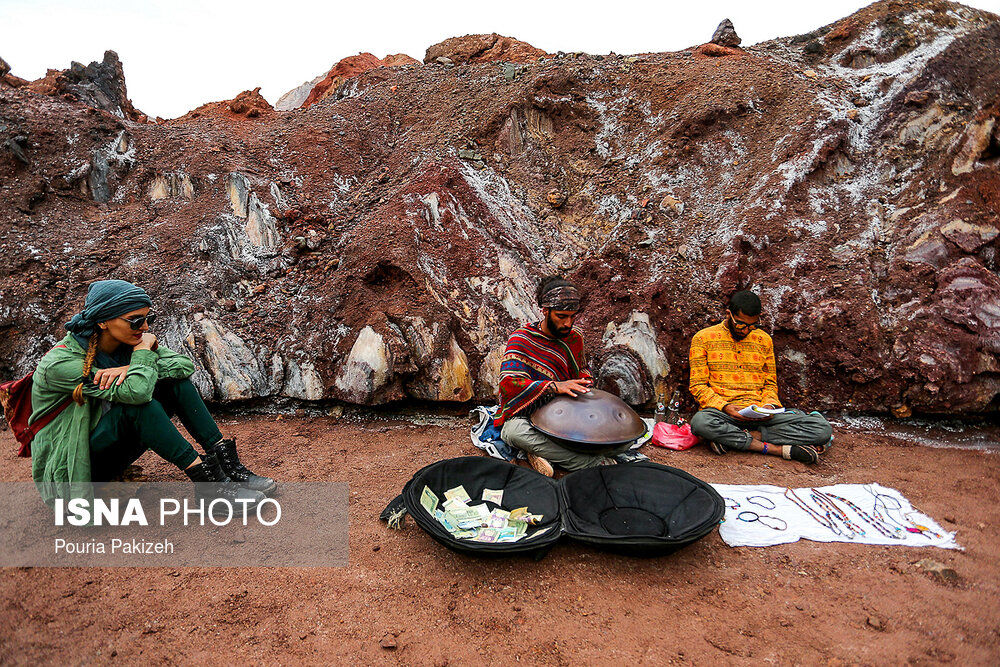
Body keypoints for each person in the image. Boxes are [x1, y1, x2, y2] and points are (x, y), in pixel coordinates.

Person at [29, 279, 276, 503]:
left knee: (175, 384)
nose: (145, 327)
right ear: (103, 321)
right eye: (136, 320)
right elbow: (137, 393)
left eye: (149, 319)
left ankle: (227, 463)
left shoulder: (128, 344)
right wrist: (142, 356)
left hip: (110, 447)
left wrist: (130, 365)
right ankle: (208, 482)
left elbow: (183, 366)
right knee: (140, 406)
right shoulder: (60, 364)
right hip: (75, 467)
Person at [494, 276, 637, 476]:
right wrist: (554, 387)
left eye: (572, 317)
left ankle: (542, 453)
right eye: (561, 316)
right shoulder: (521, 339)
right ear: (545, 311)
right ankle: (590, 463)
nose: (568, 323)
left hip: (567, 410)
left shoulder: (574, 338)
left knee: (625, 438)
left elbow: (581, 369)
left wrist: (584, 381)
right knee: (512, 432)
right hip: (528, 409)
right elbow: (510, 384)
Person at [688, 290, 832, 464]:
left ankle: (736, 439)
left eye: (752, 325)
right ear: (729, 315)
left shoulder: (763, 340)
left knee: (822, 429)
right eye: (741, 324)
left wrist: (769, 406)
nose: (747, 330)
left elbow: (770, 384)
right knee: (700, 422)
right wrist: (725, 407)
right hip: (723, 412)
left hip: (761, 414)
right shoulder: (703, 338)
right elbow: (698, 386)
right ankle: (777, 449)